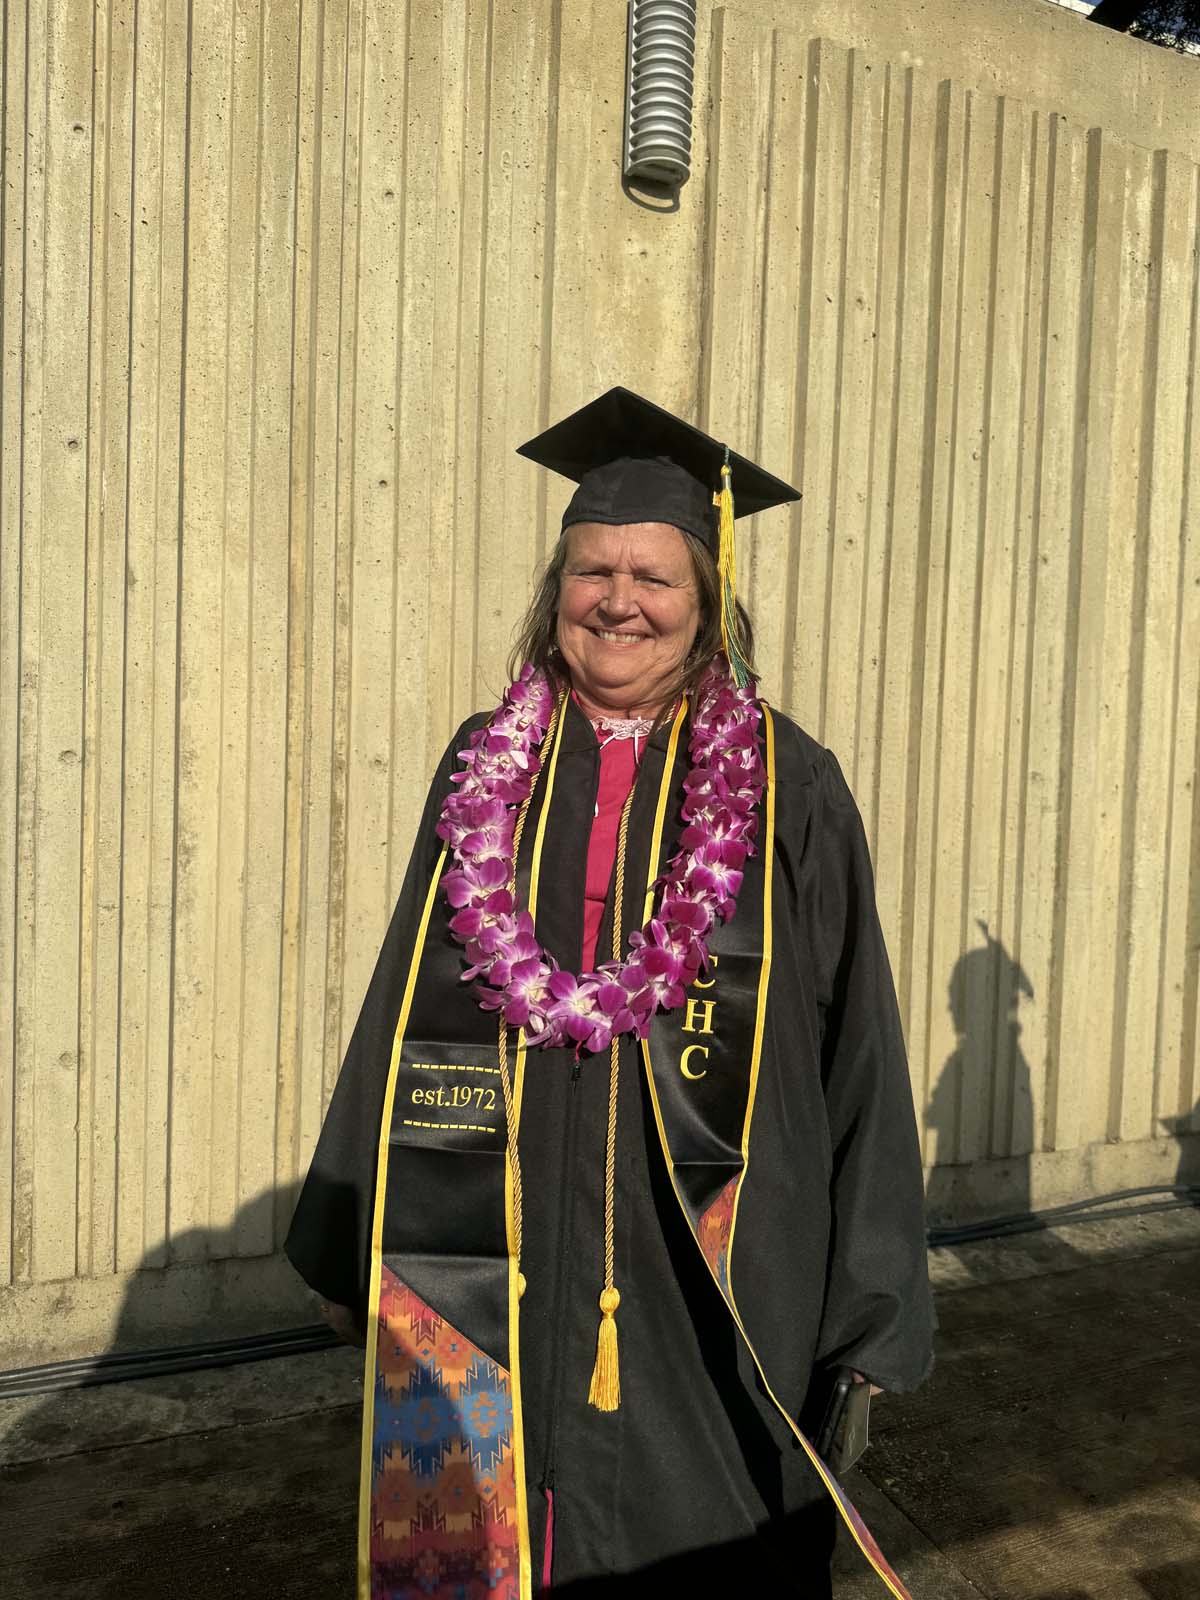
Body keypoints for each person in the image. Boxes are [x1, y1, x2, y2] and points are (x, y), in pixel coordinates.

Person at [285, 388, 935, 1599]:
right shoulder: (489, 761)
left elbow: (860, 1041)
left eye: (654, 576)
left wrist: (877, 1305)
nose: (619, 599)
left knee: (714, 1520)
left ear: (707, 602)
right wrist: (344, 1231)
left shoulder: (788, 779)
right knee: (493, 1524)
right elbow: (402, 997)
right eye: (593, 570)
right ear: (557, 591)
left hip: (712, 1248)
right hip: (503, 1226)